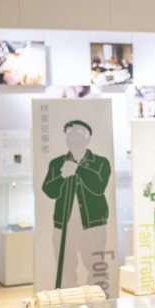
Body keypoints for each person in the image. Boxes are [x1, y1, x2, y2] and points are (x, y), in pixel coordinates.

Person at [41, 120, 111, 290]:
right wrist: (61, 176)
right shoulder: (57, 163)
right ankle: (69, 301)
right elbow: (49, 190)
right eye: (69, 134)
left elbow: (99, 187)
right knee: (66, 271)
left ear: (88, 138)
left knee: (95, 269)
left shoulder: (100, 162)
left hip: (93, 224)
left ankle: (96, 300)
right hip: (63, 225)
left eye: (78, 133)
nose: (73, 137)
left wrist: (78, 169)